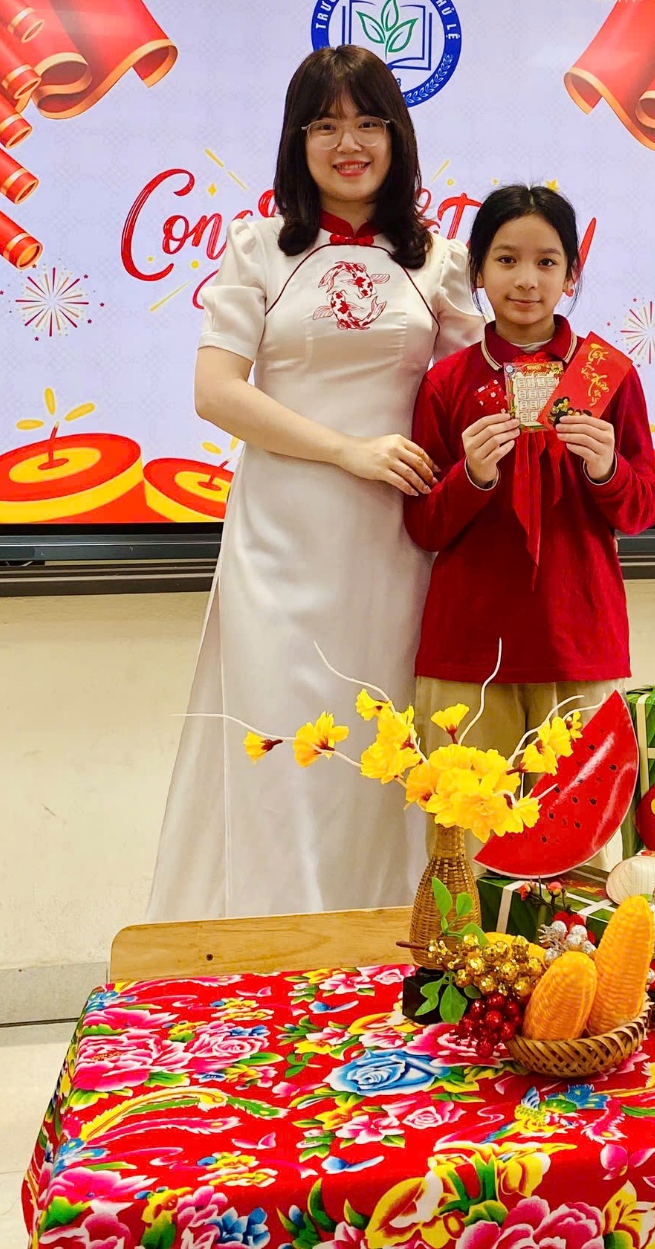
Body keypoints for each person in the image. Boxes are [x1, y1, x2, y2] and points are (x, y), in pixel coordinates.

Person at [148, 47, 482, 918]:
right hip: (281, 544)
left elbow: (470, 393)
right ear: (297, 140)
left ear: (397, 138)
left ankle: (394, 941)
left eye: (369, 123)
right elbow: (216, 392)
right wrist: (345, 450)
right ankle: (279, 948)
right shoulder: (256, 248)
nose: (348, 143)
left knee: (388, 748)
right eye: (325, 124)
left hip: (396, 547)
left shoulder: (442, 260)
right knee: (281, 748)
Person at [405, 184, 655, 774]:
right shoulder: (447, 382)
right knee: (466, 828)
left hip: (579, 644)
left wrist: (606, 470)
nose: (526, 280)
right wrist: (472, 477)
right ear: (477, 270)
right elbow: (422, 526)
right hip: (467, 651)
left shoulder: (606, 374)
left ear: (571, 274)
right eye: (506, 259)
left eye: (547, 262)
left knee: (581, 832)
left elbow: (642, 510)